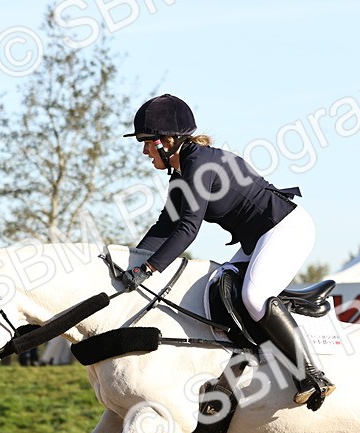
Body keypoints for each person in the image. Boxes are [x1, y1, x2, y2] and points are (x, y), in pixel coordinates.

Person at [121, 94, 334, 410]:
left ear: (167, 141)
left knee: (253, 297)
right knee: (216, 292)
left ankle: (312, 375)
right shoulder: (184, 170)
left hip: (286, 228)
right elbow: (166, 225)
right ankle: (236, 377)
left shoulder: (198, 165)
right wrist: (132, 262)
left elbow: (187, 230)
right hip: (259, 239)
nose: (144, 150)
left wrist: (148, 270)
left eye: (147, 142)